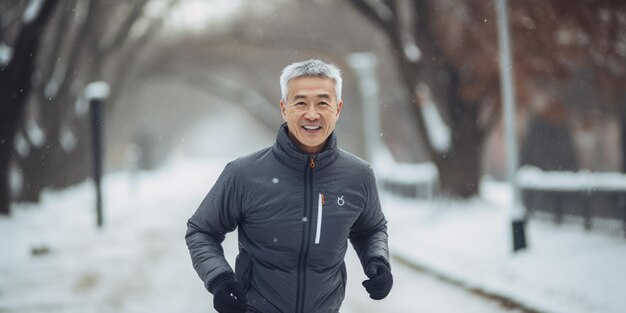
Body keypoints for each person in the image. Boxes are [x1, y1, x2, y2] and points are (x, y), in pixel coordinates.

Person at [185, 59, 392, 313]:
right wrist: (219, 278)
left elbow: (371, 228)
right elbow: (201, 230)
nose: (312, 114)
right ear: (284, 108)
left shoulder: (358, 175)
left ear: (337, 109)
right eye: (301, 102)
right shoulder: (244, 174)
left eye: (323, 103)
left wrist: (377, 260)